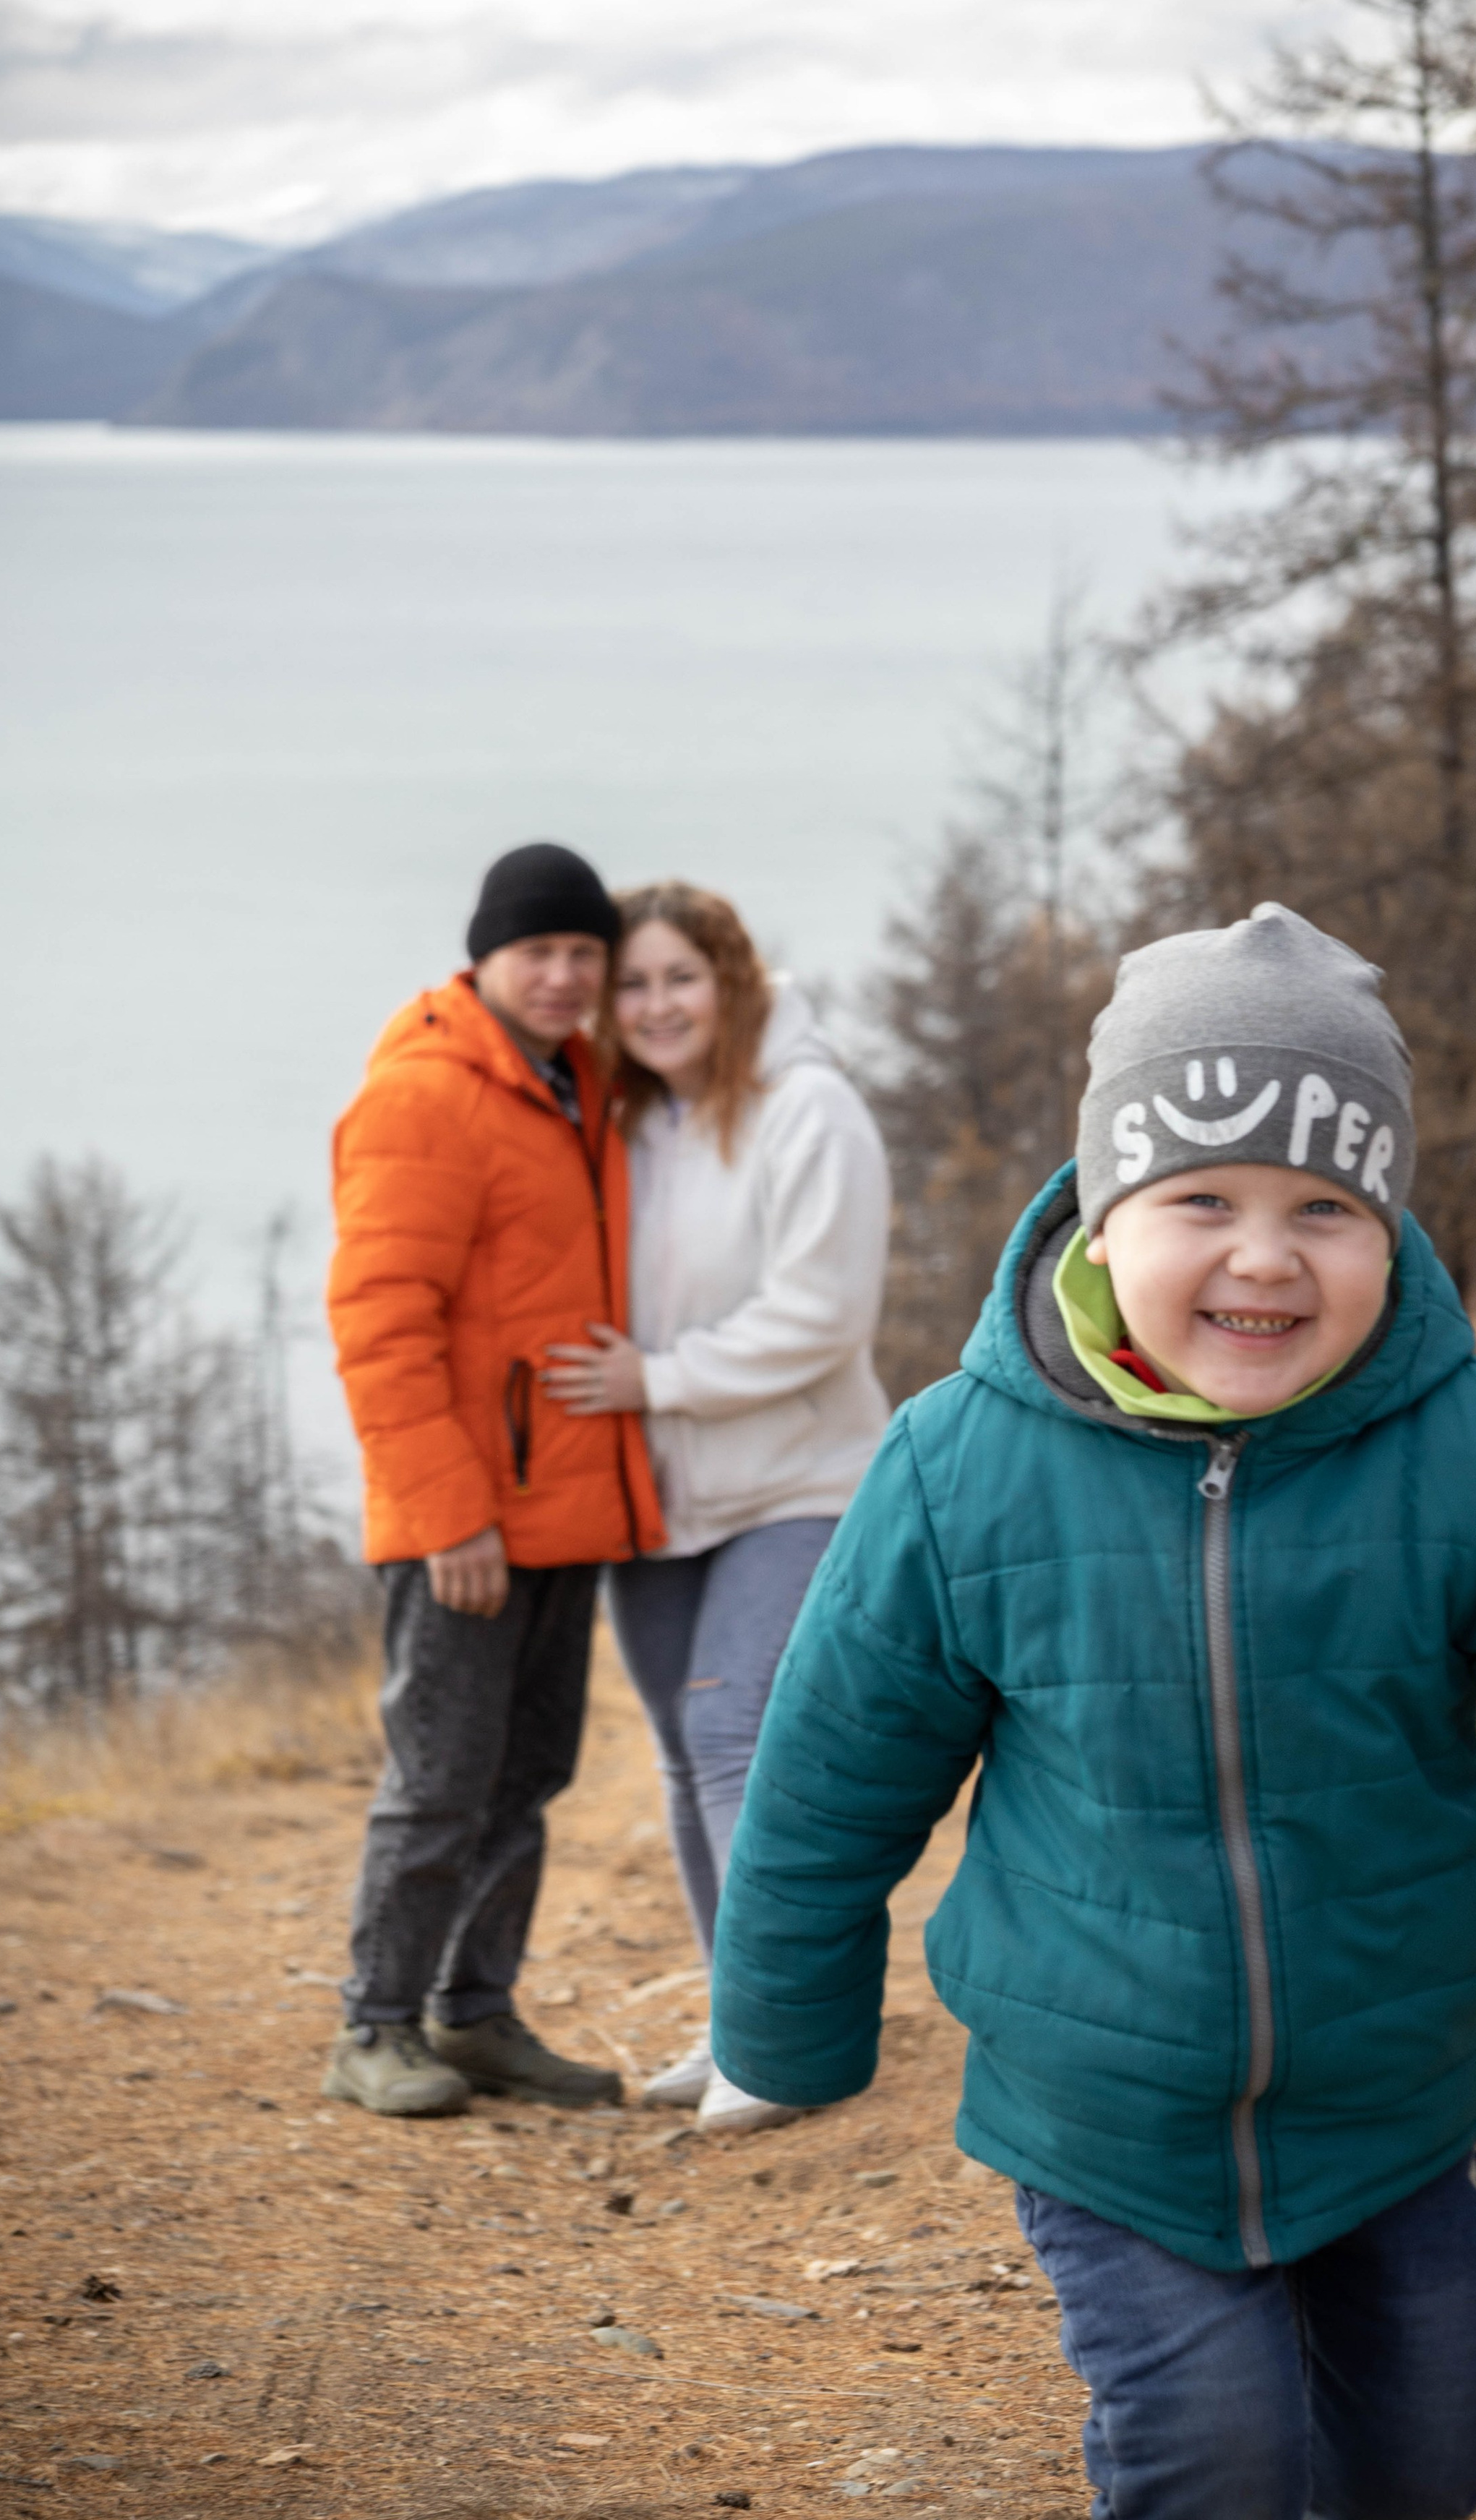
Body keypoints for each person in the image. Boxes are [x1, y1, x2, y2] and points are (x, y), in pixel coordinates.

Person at [708, 901, 1476, 2520]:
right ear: (1102, 1215)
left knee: (1415, 2468)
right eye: (1199, 1200)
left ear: (1387, 1229)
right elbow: (829, 1782)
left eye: (1326, 1205)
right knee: (1215, 2458)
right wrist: (783, 2033)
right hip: (1102, 2115)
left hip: (1400, 2090)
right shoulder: (957, 1467)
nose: (1263, 1254)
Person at [322, 842, 666, 2120]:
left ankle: (473, 2015)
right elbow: (378, 1321)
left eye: (587, 954)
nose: (569, 976)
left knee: (527, 1777)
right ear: (487, 959)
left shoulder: (586, 1085)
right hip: (463, 1521)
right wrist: (446, 1512)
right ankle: (374, 2026)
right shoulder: (424, 1095)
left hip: (565, 1506)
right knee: (439, 1782)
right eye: (543, 954)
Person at [541, 881, 890, 2133]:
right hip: (659, 1497)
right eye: (631, 986)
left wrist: (659, 1379)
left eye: (679, 977)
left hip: (795, 1484)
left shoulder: (810, 1111)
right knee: (687, 1754)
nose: (655, 1005)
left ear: (731, 978)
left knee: (741, 1738)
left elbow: (824, 1314)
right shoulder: (629, 1129)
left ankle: (787, 2044)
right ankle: (741, 2016)